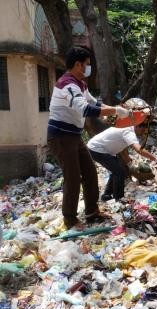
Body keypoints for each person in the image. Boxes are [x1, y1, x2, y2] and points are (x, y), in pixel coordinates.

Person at [47, 46, 130, 229]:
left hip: (74, 136)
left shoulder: (80, 84)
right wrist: (115, 110)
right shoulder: (67, 84)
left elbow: (94, 103)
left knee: (90, 173)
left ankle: (92, 212)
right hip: (61, 137)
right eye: (87, 64)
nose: (89, 68)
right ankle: (70, 219)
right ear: (78, 65)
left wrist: (111, 112)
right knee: (73, 177)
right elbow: (84, 109)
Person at [87, 119, 157, 201]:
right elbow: (139, 149)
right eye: (143, 129)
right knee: (119, 172)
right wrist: (156, 159)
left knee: (116, 170)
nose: (144, 132)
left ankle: (106, 195)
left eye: (146, 129)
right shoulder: (129, 132)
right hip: (96, 149)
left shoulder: (126, 128)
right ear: (136, 126)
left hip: (98, 148)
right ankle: (119, 198)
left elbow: (123, 149)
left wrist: (130, 164)